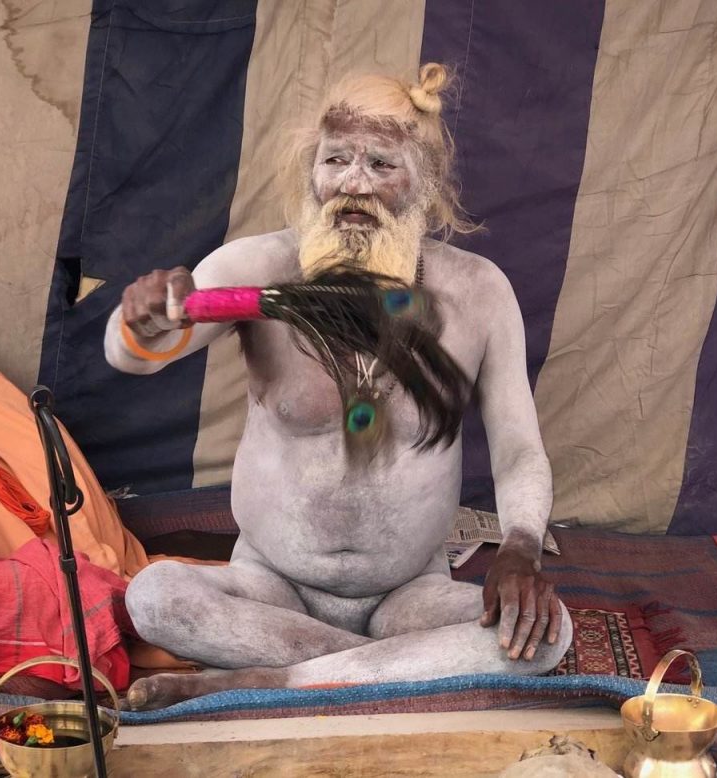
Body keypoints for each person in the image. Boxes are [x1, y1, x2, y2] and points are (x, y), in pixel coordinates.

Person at [106, 63, 572, 710]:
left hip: (411, 595)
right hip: (270, 588)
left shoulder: (478, 293)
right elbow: (136, 358)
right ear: (311, 173)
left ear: (429, 184)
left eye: (382, 165)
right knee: (152, 598)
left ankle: (267, 680)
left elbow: (518, 447)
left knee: (547, 637)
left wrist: (521, 546)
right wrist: (143, 316)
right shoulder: (258, 267)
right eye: (336, 161)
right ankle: (372, 673)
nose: (353, 184)